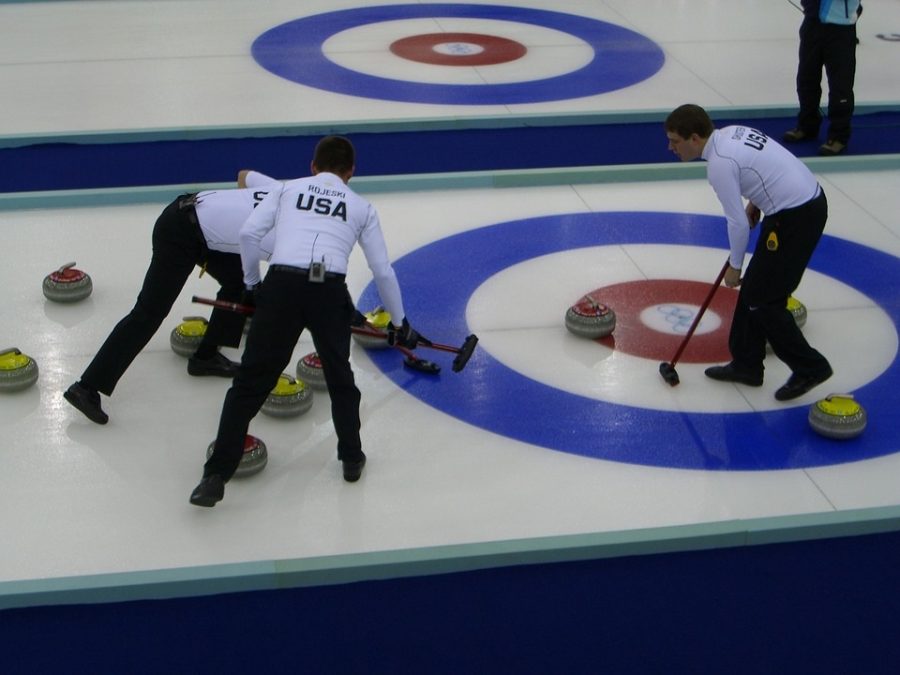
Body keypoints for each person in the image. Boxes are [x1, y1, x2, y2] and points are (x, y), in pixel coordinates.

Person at [190, 135, 424, 507]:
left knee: (251, 383)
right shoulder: (362, 207)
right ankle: (350, 458)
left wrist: (253, 285)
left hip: (282, 284)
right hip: (328, 291)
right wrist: (401, 323)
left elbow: (249, 233)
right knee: (339, 378)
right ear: (351, 173)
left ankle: (215, 475)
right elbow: (382, 270)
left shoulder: (285, 190)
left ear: (313, 167)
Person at [63, 171, 280, 425]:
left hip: (207, 234)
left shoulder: (285, 192)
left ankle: (205, 358)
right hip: (178, 229)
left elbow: (245, 176)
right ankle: (86, 387)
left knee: (239, 283)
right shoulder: (284, 240)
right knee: (149, 312)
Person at [664, 104, 832, 401]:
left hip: (796, 217)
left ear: (694, 138)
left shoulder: (719, 163)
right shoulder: (730, 134)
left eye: (675, 141)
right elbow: (765, 166)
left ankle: (811, 367)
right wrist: (757, 200)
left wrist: (735, 265)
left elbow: (737, 224)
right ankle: (747, 364)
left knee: (765, 300)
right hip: (797, 204)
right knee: (756, 290)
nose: (671, 148)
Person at [783, 0, 862, 156]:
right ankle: (807, 124)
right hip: (812, 21)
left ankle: (838, 135)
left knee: (840, 86)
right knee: (806, 78)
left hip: (841, 27)